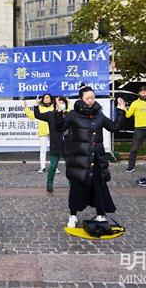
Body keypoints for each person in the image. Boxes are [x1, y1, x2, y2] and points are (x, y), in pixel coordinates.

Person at [55, 86, 126, 228]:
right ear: (81, 99)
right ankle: (73, 216)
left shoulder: (99, 114)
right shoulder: (73, 115)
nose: (90, 100)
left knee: (98, 187)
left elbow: (113, 127)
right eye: (87, 98)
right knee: (76, 189)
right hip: (79, 160)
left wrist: (120, 111)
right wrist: (58, 112)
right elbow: (60, 127)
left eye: (92, 97)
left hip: (96, 159)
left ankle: (100, 214)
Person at [32, 96, 69, 192]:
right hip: (56, 144)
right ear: (55, 104)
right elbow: (38, 115)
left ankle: (73, 185)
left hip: (68, 145)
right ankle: (49, 184)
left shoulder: (69, 115)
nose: (61, 104)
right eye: (59, 102)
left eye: (63, 103)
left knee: (70, 166)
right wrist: (36, 105)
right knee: (53, 166)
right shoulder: (50, 115)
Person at [24, 93, 55, 173]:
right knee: (43, 150)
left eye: (48, 97)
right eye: (44, 98)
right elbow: (32, 116)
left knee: (54, 150)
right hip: (43, 131)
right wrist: (26, 108)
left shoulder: (55, 107)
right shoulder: (39, 107)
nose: (46, 99)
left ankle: (54, 166)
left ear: (51, 99)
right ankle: (42, 167)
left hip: (53, 131)